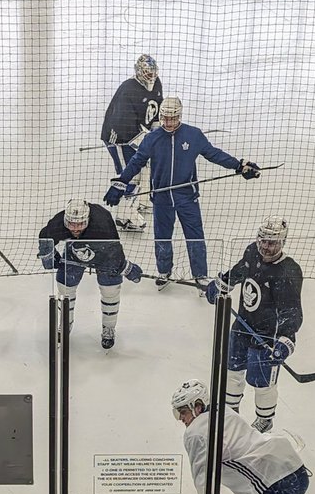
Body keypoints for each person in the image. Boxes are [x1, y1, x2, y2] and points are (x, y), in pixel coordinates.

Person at [104, 96, 260, 291]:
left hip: (187, 197)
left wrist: (239, 165)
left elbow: (214, 154)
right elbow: (136, 162)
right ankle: (164, 271)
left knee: (195, 236)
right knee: (162, 237)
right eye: (165, 118)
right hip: (161, 198)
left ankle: (200, 274)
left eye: (173, 118)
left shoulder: (193, 135)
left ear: (180, 115)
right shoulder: (151, 138)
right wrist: (120, 183)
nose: (168, 123)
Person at [205, 215, 302, 433]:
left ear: (282, 242)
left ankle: (265, 419)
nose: (266, 247)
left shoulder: (288, 271)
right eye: (264, 241)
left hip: (266, 337)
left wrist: (285, 341)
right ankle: (229, 413)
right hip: (241, 327)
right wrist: (223, 283)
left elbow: (292, 311)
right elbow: (241, 269)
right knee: (232, 372)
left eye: (273, 243)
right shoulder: (251, 251)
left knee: (263, 383)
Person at [171, 379, 310, 494]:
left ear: (197, 406)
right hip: (292, 470)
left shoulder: (196, 433)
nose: (180, 418)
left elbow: (204, 481)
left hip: (273, 484)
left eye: (183, 412)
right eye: (177, 413)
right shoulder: (222, 410)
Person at [37, 199, 144, 349]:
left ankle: (109, 328)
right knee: (64, 285)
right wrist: (49, 255)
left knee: (110, 289)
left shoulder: (103, 223)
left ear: (87, 219)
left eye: (79, 224)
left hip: (105, 255)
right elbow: (45, 236)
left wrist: (125, 268)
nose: (74, 228)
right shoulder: (59, 223)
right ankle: (66, 322)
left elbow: (115, 253)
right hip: (75, 252)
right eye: (71, 224)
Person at [101, 53, 163, 232]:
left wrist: (158, 130)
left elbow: (156, 109)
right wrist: (146, 140)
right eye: (147, 73)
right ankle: (124, 217)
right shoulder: (128, 89)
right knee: (130, 174)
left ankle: (140, 201)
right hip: (119, 139)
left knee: (145, 169)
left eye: (153, 73)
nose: (151, 77)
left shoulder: (157, 84)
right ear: (139, 72)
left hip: (138, 134)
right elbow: (121, 125)